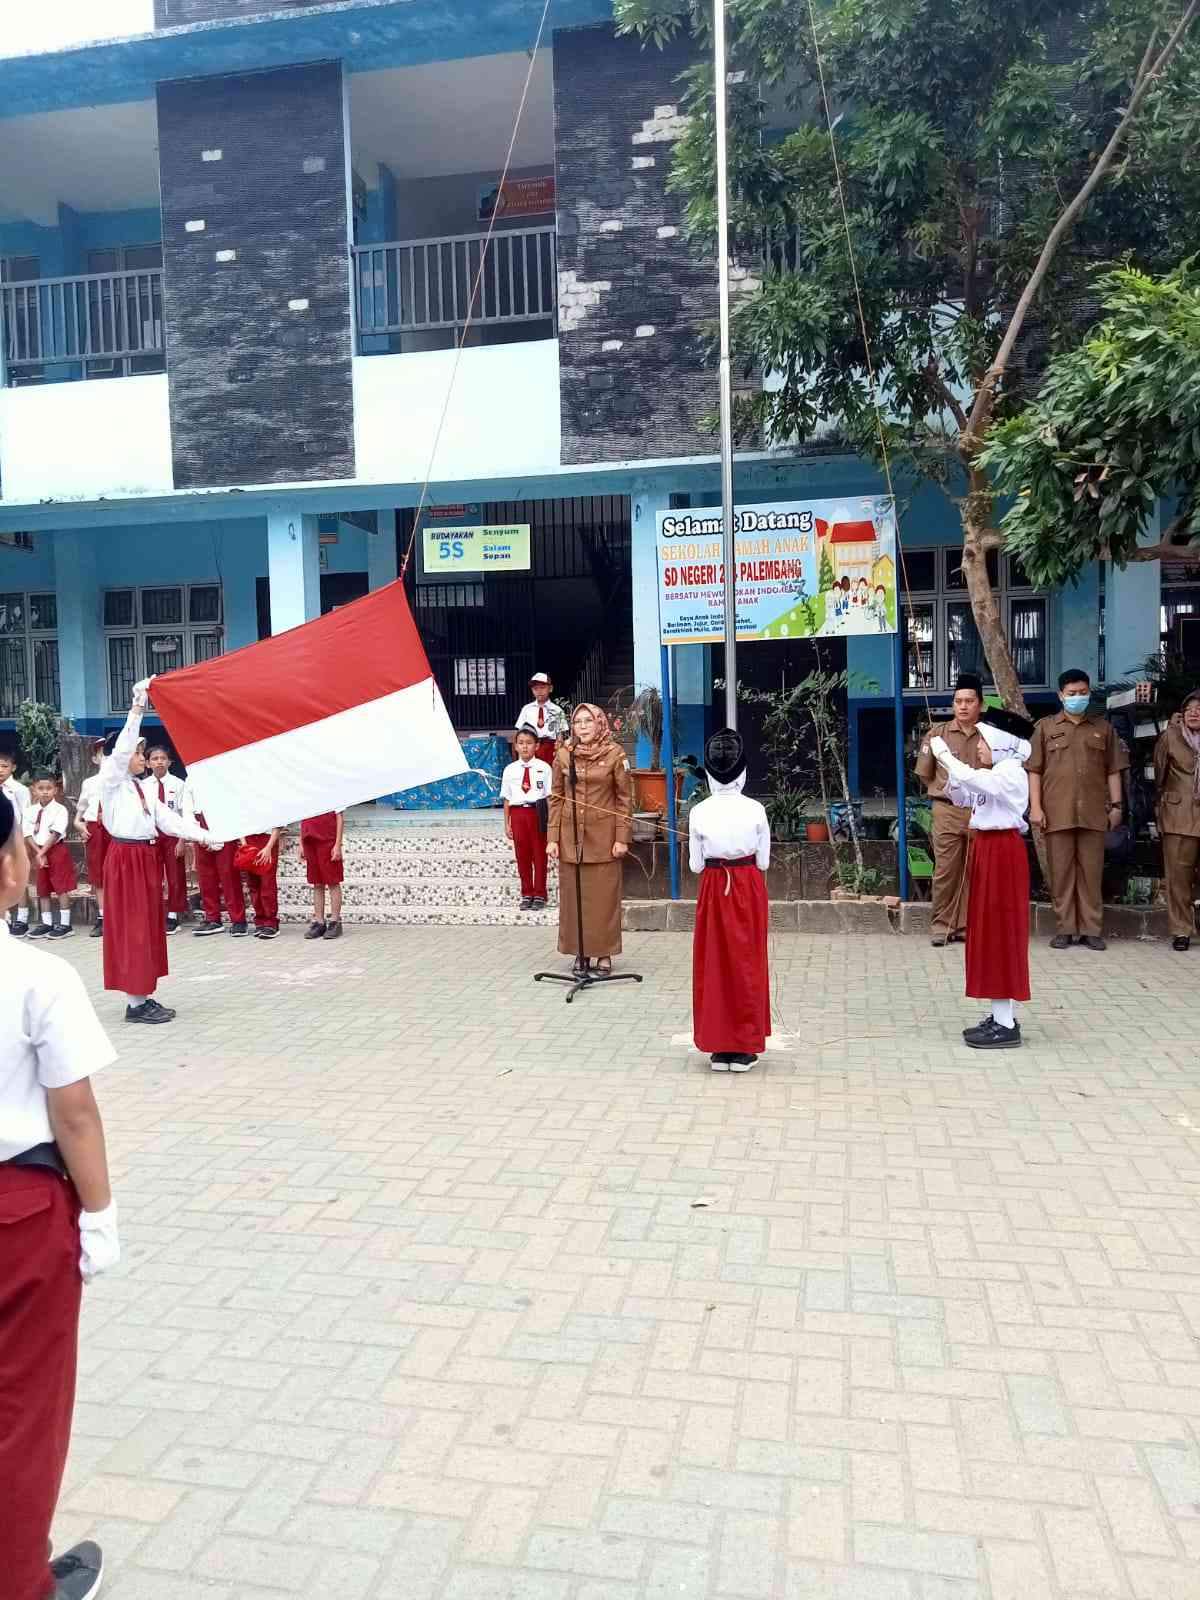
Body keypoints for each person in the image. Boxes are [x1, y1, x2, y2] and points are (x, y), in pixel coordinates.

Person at [0, 787, 120, 1600]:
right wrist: (103, 1218)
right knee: (21, 1415)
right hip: (18, 1213)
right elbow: (73, 1113)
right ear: (10, 869)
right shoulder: (36, 975)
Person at [100, 684, 218, 1024]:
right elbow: (122, 750)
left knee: (149, 927)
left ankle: (143, 995)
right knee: (133, 928)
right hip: (126, 859)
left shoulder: (143, 788)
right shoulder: (111, 781)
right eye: (141, 754)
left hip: (145, 858)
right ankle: (135, 1004)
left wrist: (206, 836)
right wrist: (138, 707)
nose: (142, 758)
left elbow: (169, 821)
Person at [929, 707, 1035, 1049]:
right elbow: (969, 796)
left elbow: (979, 783)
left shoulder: (1010, 773)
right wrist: (956, 782)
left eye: (984, 743)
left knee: (1000, 931)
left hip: (1002, 852)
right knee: (989, 931)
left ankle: (1005, 1023)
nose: (978, 748)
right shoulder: (996, 772)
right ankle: (1001, 1014)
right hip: (989, 850)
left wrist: (944, 755)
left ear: (1001, 745)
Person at [1027, 669, 1129, 950]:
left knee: (1091, 872)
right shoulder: (1045, 728)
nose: (1078, 698)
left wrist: (1117, 806)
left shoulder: (1103, 729)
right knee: (1061, 873)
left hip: (1095, 813)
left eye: (1083, 693)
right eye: (1072, 694)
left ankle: (1091, 929)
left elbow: (1114, 770)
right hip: (1056, 812)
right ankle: (1065, 928)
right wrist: (1035, 807)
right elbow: (1034, 770)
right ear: (1061, 695)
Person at [688, 728, 771, 1072]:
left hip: (712, 887)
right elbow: (764, 861)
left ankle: (719, 1047)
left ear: (708, 773)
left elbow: (695, 865)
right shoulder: (756, 809)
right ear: (743, 771)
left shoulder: (698, 812)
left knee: (714, 962)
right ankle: (744, 1046)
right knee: (747, 960)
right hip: (747, 885)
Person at [546, 702, 632, 975]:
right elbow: (556, 798)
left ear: (599, 723)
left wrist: (622, 837)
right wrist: (552, 837)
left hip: (604, 838)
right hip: (571, 838)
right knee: (574, 899)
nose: (582, 727)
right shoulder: (563, 755)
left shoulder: (615, 754)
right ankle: (580, 952)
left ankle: (604, 953)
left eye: (588, 721)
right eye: (577, 722)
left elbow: (624, 800)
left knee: (603, 899)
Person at [915, 672, 986, 947]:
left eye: (969, 700)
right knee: (945, 869)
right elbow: (924, 773)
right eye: (958, 701)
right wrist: (943, 789)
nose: (963, 706)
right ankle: (942, 926)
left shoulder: (989, 736)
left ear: (979, 703)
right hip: (945, 810)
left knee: (973, 869)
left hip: (980, 811)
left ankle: (966, 925)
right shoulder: (937, 735)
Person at [1154, 687, 1200, 952]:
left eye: (1199, 709)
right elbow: (1159, 776)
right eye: (1189, 709)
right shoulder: (1170, 737)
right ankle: (1181, 930)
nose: (1194, 713)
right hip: (1178, 815)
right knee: (1178, 877)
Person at [181, 776, 248, 938]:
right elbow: (187, 807)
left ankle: (238, 920)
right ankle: (212, 918)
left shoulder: (219, 772)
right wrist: (195, 831)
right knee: (206, 876)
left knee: (228, 875)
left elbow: (231, 802)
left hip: (222, 823)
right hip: (200, 824)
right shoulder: (190, 778)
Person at [502, 725, 553, 910]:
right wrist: (506, 823)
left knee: (539, 854)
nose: (525, 747)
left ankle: (540, 894)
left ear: (537, 746)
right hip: (518, 813)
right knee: (522, 855)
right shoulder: (509, 770)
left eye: (529, 743)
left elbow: (549, 796)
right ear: (515, 746)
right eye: (521, 743)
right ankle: (526, 893)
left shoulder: (544, 768)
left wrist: (550, 822)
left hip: (537, 812)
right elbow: (507, 799)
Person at [23, 772, 77, 940]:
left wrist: (42, 853)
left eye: (49, 788)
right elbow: (27, 834)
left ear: (55, 790)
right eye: (41, 788)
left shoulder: (60, 810)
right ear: (34, 790)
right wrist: (39, 853)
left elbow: (55, 833)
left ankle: (66, 924)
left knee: (61, 887)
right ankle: (47, 923)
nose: (45, 792)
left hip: (56, 850)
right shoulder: (30, 811)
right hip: (38, 849)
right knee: (43, 888)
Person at [141, 743, 188, 934]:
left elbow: (185, 814)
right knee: (152, 877)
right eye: (154, 759)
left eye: (162, 758)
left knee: (174, 876)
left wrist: (182, 840)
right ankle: (155, 912)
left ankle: (173, 915)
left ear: (169, 762)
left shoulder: (178, 784)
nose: (159, 762)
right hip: (151, 836)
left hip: (172, 836)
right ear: (148, 763)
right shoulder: (143, 786)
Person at [75, 740, 109, 940]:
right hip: (94, 830)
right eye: (102, 754)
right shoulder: (89, 783)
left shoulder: (123, 782)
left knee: (118, 873)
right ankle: (103, 917)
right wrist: (80, 825)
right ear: (95, 759)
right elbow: (78, 816)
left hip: (115, 830)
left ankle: (120, 915)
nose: (106, 758)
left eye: (110, 754)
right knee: (98, 875)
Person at [301, 811, 345, 940]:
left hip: (328, 840)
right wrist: (301, 843)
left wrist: (337, 844)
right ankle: (319, 922)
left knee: (333, 882)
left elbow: (339, 818)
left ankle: (335, 921)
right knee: (317, 883)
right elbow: (302, 817)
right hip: (310, 840)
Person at [1, 746, 31, 935]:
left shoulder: (19, 790)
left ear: (13, 767)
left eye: (4, 766)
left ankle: (22, 917)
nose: (0, 770)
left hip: (16, 840)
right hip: (2, 840)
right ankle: (5, 917)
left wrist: (24, 842)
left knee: (18, 879)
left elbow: (26, 815)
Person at [516, 672, 566, 768]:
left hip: (550, 747)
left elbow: (560, 734)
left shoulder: (558, 710)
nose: (539, 691)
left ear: (550, 688)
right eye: (535, 688)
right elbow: (520, 732)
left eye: (542, 688)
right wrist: (520, 754)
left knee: (550, 773)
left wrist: (558, 752)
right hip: (531, 747)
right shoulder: (526, 709)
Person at [240, 827, 283, 939]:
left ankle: (271, 923)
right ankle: (260, 921)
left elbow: (278, 824)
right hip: (249, 839)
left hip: (267, 839)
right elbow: (239, 821)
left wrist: (269, 847)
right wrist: (244, 844)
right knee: (253, 884)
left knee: (267, 883)